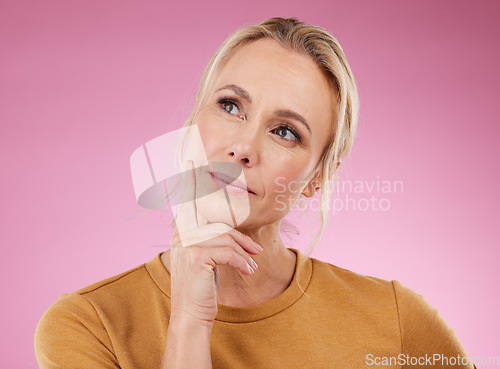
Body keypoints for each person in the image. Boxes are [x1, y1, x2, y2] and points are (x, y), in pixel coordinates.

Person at [34, 17, 475, 369]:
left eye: (285, 132)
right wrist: (188, 321)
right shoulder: (88, 326)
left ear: (320, 175)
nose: (242, 147)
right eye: (230, 106)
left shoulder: (397, 321)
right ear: (195, 119)